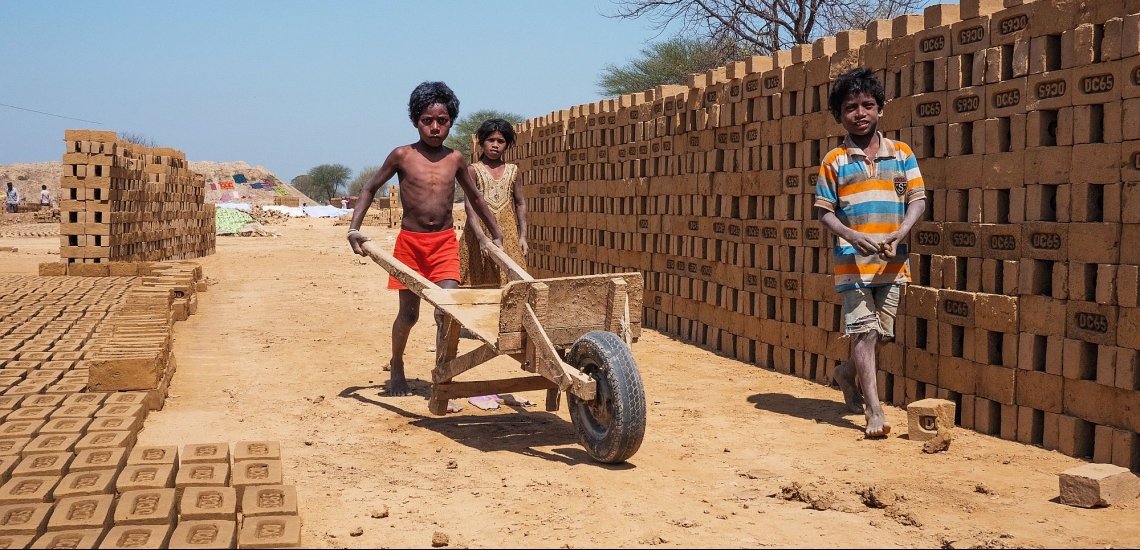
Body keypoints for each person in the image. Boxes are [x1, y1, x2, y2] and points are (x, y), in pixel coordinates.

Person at [347, 81, 505, 397]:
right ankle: (397, 364)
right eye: (427, 121)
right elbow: (368, 189)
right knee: (409, 315)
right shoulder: (402, 156)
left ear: (451, 122)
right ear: (416, 120)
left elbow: (475, 198)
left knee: (446, 311)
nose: (434, 128)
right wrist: (354, 228)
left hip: (445, 244)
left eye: (442, 121)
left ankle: (442, 378)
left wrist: (497, 236)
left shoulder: (456, 159)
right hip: (410, 245)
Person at [814, 68, 926, 438]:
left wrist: (901, 233)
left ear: (880, 109)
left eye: (867, 105)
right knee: (864, 333)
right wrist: (850, 235)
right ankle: (874, 410)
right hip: (852, 263)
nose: (860, 113)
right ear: (839, 115)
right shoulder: (835, 161)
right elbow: (824, 212)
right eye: (850, 107)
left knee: (883, 334)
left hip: (893, 262)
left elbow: (917, 200)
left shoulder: (902, 154)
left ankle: (847, 373)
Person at [458, 119, 528, 287]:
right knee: (474, 285)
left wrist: (523, 236)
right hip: (477, 235)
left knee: (513, 284)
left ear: (507, 145)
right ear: (482, 142)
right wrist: (481, 238)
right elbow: (470, 207)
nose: (495, 145)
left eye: (501, 141)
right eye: (491, 140)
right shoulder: (473, 170)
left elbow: (520, 203)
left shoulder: (514, 171)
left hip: (508, 234)